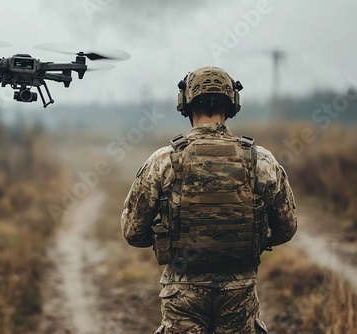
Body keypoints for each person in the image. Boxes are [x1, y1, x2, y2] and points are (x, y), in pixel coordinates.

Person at [121, 66, 297, 334]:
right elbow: (286, 227)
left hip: (182, 293)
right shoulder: (261, 160)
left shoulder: (163, 161)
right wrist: (249, 240)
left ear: (185, 104)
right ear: (232, 104)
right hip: (239, 291)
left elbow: (133, 232)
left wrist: (168, 240)